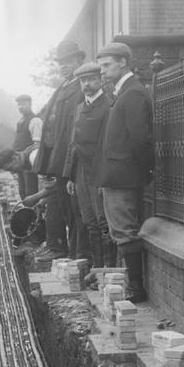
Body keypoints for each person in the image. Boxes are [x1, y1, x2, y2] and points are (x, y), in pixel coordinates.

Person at [95, 42, 153, 303]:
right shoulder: (123, 92)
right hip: (116, 173)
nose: (103, 71)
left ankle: (136, 289)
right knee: (120, 230)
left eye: (107, 65)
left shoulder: (133, 93)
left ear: (122, 63)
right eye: (101, 66)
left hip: (123, 175)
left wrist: (143, 171)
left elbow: (141, 139)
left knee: (125, 230)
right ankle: (131, 283)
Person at [33, 40, 88, 262]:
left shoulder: (81, 87)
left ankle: (79, 256)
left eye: (69, 61)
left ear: (80, 61)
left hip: (72, 160)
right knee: (66, 209)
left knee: (77, 212)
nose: (64, 66)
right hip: (58, 160)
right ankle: (69, 253)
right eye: (62, 62)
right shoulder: (64, 86)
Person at [62, 62, 116, 271]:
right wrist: (70, 175)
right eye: (83, 81)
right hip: (80, 172)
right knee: (89, 221)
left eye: (92, 79)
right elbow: (72, 143)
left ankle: (108, 272)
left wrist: (105, 177)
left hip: (99, 170)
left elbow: (109, 145)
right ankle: (97, 269)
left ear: (101, 79)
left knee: (103, 222)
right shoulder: (78, 108)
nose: (87, 84)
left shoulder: (108, 105)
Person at [13, 94, 42, 200]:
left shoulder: (35, 121)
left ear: (30, 104)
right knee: (22, 190)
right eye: (19, 105)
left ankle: (35, 213)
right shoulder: (21, 121)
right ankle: (26, 213)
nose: (20, 107)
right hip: (20, 160)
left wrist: (25, 155)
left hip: (29, 161)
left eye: (23, 104)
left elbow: (37, 145)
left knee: (31, 191)